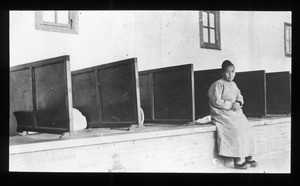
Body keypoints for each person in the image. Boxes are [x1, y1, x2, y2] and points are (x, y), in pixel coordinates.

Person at [208, 60, 258, 169]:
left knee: (246, 126)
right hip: (222, 112)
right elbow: (216, 101)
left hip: (234, 112)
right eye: (227, 72)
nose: (230, 74)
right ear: (222, 73)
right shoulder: (218, 84)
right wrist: (230, 105)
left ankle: (248, 155)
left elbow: (239, 96)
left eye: (232, 71)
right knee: (235, 129)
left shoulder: (234, 84)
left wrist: (238, 103)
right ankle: (238, 160)